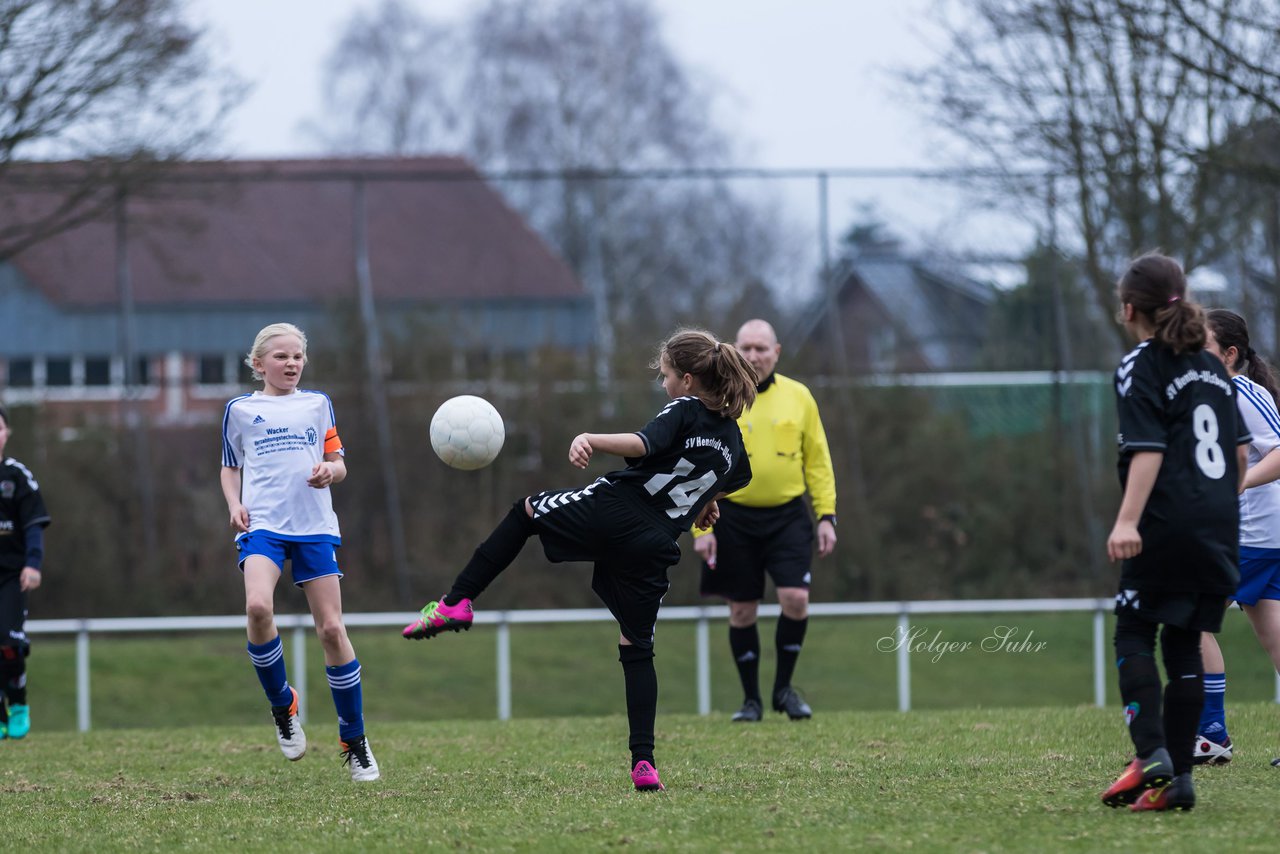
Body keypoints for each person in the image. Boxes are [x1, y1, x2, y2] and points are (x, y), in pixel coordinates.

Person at [402, 328, 756, 792]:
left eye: (665, 375)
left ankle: (457, 601)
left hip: (614, 511)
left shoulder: (684, 408)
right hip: (655, 546)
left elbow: (644, 445)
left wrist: (590, 437)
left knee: (525, 512)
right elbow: (740, 477)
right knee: (637, 646)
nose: (663, 384)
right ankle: (644, 763)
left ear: (688, 380)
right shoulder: (731, 441)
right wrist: (707, 498)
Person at [1101, 254, 1248, 813]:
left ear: (1129, 307)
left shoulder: (1141, 364)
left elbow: (1147, 450)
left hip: (1165, 521)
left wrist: (1126, 520)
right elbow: (1238, 454)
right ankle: (1181, 781)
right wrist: (1217, 514)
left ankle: (1152, 755)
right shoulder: (1212, 366)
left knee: (1134, 631)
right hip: (1217, 522)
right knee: (1184, 639)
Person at [220, 322, 379, 781]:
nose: (291, 363)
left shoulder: (317, 404)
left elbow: (339, 463)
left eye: (297, 356)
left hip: (314, 527)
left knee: (331, 629)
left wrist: (332, 473)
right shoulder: (239, 410)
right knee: (256, 606)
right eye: (281, 357)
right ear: (258, 364)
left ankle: (354, 739)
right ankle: (282, 704)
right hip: (264, 525)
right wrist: (235, 504)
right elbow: (230, 468)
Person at [693, 319, 836, 722]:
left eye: (761, 348)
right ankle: (751, 701)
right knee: (741, 609)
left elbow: (819, 461)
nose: (754, 355)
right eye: (747, 348)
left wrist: (827, 516)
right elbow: (698, 464)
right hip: (730, 516)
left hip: (788, 516)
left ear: (777, 351)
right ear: (733, 351)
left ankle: (783, 691)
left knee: (796, 598)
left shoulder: (800, 397)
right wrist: (699, 527)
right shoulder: (717, 397)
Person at [1194, 309, 1280, 766]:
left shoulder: (1242, 393)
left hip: (1252, 533)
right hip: (1254, 534)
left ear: (1229, 354)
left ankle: (1210, 734)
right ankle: (1210, 733)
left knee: (1189, 617)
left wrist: (1239, 483)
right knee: (1273, 633)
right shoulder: (1206, 396)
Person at [0, 404, 51, 740]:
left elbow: (34, 526)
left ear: (6, 434)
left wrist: (32, 564)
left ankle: (17, 702)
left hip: (11, 575)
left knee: (6, 642)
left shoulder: (17, 476)